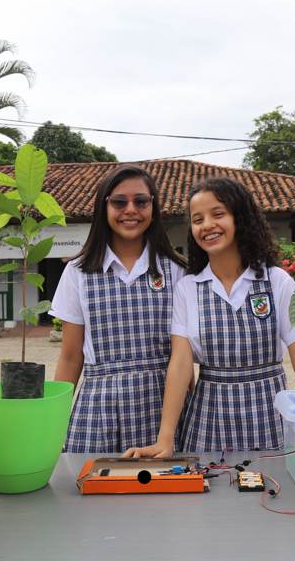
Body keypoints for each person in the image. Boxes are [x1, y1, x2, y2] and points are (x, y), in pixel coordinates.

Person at [125, 177, 295, 456]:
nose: (207, 225)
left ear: (240, 218)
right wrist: (165, 439)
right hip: (208, 419)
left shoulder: (276, 281)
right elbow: (181, 364)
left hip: (270, 416)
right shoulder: (188, 288)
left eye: (218, 214)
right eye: (197, 219)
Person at [51, 165, 186, 453]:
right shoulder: (78, 272)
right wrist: (52, 423)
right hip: (99, 405)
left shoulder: (175, 269)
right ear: (104, 207)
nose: (130, 210)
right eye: (119, 202)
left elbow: (182, 355)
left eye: (141, 201)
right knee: (92, 488)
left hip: (163, 404)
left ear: (153, 206)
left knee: (170, 492)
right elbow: (71, 356)